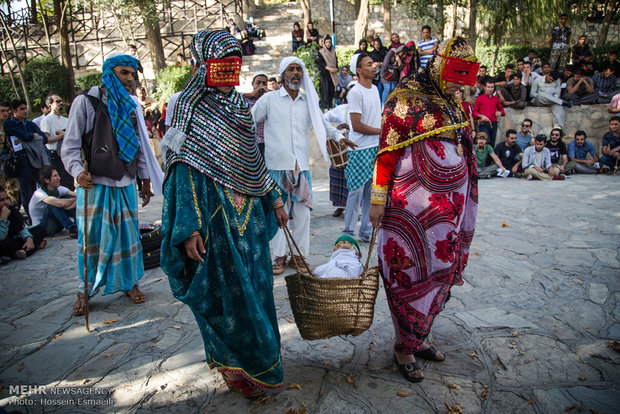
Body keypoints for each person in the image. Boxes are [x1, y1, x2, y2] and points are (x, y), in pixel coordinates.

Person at [159, 30, 287, 400]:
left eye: (236, 61)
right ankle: (234, 367)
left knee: (257, 292)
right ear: (203, 63)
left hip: (250, 216)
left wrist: (275, 199)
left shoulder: (238, 106)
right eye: (222, 61)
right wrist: (187, 228)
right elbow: (180, 167)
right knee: (224, 295)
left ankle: (261, 363)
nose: (230, 69)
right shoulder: (185, 105)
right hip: (212, 216)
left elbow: (252, 160)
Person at [369, 37, 479, 382]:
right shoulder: (405, 98)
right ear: (438, 66)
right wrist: (376, 199)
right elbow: (386, 151)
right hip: (409, 209)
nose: (459, 85)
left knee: (438, 269)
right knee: (409, 274)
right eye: (455, 77)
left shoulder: (454, 102)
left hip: (447, 213)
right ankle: (404, 347)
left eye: (464, 79)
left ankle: (420, 337)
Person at [62, 53, 163, 316]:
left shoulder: (130, 104)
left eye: (132, 74)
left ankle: (130, 283)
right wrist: (76, 171)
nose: (129, 79)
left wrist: (145, 180)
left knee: (128, 238)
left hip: (126, 181)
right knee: (91, 239)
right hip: (94, 184)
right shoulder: (86, 101)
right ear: (109, 73)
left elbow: (140, 145)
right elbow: (71, 145)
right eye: (123, 73)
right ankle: (85, 291)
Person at [251, 57, 352, 275]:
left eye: (299, 69)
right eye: (291, 69)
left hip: (300, 167)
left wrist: (338, 136)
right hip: (276, 166)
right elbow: (250, 121)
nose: (296, 73)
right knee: (279, 213)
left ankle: (299, 256)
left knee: (303, 214)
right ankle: (278, 256)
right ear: (282, 74)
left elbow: (321, 123)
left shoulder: (308, 101)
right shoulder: (269, 99)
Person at [343, 53, 380, 243]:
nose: (373, 66)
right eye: (368, 64)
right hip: (359, 148)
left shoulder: (374, 89)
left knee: (369, 193)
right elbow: (356, 125)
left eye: (372, 63)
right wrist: (381, 131)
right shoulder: (355, 92)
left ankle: (365, 231)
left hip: (374, 147)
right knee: (356, 192)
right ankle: (348, 232)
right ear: (358, 70)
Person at [3, 99, 50, 218]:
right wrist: (31, 136)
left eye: (25, 108)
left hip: (35, 159)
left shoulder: (30, 124)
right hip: (21, 160)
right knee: (26, 191)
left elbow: (43, 138)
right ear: (14, 111)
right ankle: (31, 218)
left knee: (41, 188)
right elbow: (24, 135)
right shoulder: (9, 124)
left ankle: (45, 216)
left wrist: (30, 137)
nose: (25, 111)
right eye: (21, 109)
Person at [0, 185, 47, 263]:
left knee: (40, 229)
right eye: (2, 200)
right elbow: (1, 237)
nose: (6, 202)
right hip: (4, 241)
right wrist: (3, 219)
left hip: (15, 238)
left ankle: (20, 251)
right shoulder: (5, 212)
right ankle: (29, 249)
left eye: (7, 198)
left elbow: (20, 227)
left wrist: (29, 239)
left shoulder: (10, 209)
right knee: (5, 244)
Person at [28, 166, 78, 237]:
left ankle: (78, 224)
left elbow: (78, 195)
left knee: (68, 197)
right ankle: (71, 228)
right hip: (43, 228)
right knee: (53, 203)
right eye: (55, 176)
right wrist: (73, 200)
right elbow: (60, 203)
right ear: (46, 180)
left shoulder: (59, 188)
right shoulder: (38, 194)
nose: (59, 178)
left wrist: (73, 201)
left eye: (58, 175)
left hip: (56, 225)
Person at [40, 94, 73, 190]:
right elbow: (46, 139)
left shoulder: (66, 120)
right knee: (60, 181)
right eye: (57, 101)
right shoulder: (47, 120)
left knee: (69, 179)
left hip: (67, 152)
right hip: (55, 155)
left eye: (61, 101)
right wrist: (62, 135)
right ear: (50, 104)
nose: (61, 103)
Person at [243, 73, 269, 156]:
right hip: (250, 144)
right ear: (252, 84)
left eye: (264, 84)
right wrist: (251, 94)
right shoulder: (245, 100)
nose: (261, 86)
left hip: (268, 144)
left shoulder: (270, 100)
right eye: (258, 83)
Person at [474, 78, 505, 147]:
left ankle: (490, 158)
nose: (490, 89)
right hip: (483, 124)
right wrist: (481, 116)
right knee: (486, 143)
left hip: (494, 124)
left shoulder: (496, 99)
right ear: (485, 87)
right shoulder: (479, 98)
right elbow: (474, 112)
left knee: (492, 144)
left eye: (492, 87)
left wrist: (500, 113)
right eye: (488, 87)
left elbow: (502, 111)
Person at [0, 101, 20, 208]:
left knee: (14, 187)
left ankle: (13, 208)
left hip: (9, 161)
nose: (5, 113)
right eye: (2, 111)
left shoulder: (10, 125)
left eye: (7, 111)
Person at [317, 35, 338, 109]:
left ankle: (331, 105)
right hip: (325, 74)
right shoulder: (321, 52)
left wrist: (335, 69)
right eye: (327, 42)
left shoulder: (333, 51)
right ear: (324, 43)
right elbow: (321, 63)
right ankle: (325, 107)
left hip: (333, 74)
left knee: (331, 90)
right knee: (325, 90)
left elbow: (336, 62)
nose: (328, 44)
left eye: (329, 42)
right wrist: (329, 69)